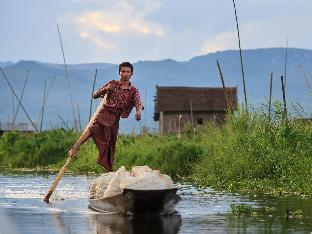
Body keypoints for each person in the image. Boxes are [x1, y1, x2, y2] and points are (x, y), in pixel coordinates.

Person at [68, 62, 143, 171]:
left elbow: (138, 103)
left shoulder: (133, 90)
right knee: (95, 128)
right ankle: (75, 147)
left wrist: (138, 112)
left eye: (128, 72)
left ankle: (109, 170)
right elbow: (95, 95)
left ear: (131, 74)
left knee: (110, 143)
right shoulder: (112, 83)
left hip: (115, 117)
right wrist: (106, 89)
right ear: (119, 73)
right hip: (106, 111)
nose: (125, 74)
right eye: (123, 71)